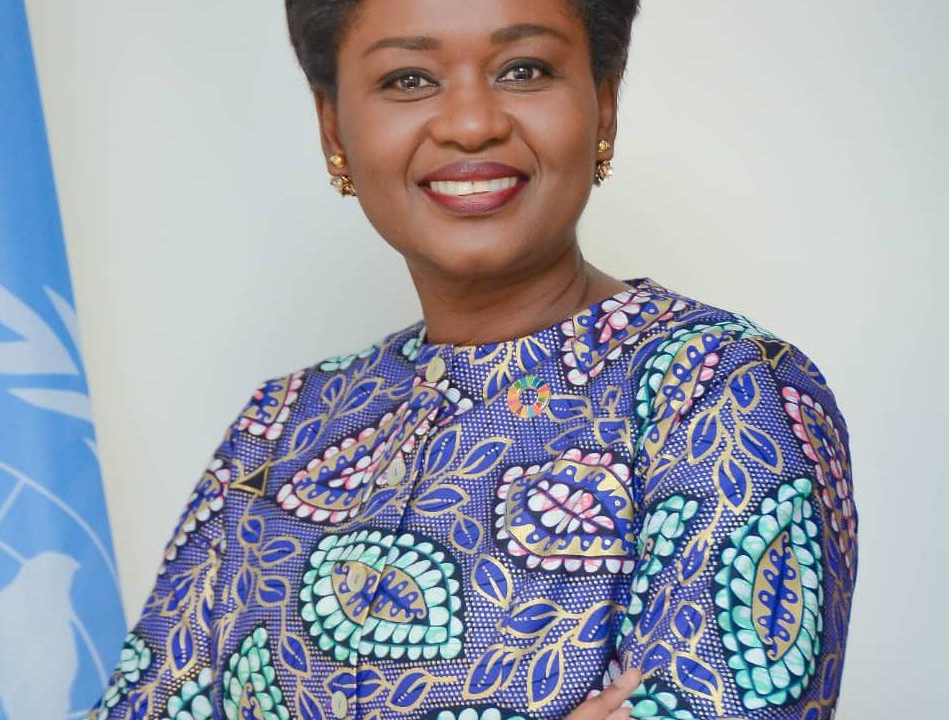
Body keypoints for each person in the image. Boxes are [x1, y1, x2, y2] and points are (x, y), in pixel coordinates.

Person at [88, 1, 858, 719]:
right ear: (332, 127)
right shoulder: (277, 428)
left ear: (604, 105)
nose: (470, 124)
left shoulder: (721, 390)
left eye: (524, 69)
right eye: (408, 79)